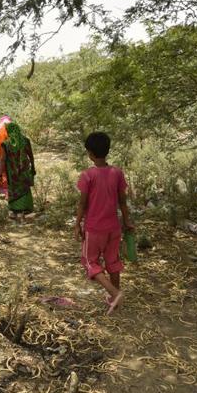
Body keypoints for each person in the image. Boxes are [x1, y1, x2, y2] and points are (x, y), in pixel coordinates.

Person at [74, 132, 133, 315]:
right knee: (112, 261)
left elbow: (82, 204)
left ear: (90, 153)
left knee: (89, 262)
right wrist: (127, 221)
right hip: (113, 227)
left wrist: (77, 224)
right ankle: (114, 300)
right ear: (107, 151)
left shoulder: (87, 175)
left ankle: (115, 293)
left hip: (94, 229)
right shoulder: (117, 173)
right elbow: (123, 202)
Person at [0, 122, 36, 221]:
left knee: (14, 190)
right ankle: (24, 210)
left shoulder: (6, 144)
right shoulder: (25, 141)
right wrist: (33, 167)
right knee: (24, 188)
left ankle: (16, 211)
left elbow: (3, 159)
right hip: (24, 171)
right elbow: (31, 156)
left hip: (12, 173)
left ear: (9, 131)